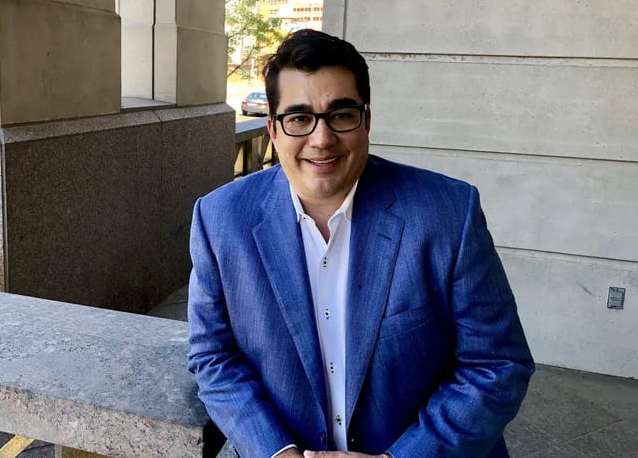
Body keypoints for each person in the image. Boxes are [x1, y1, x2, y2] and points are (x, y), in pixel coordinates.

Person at [187, 29, 534, 458]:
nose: (321, 138)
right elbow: (214, 358)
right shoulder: (220, 219)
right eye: (299, 118)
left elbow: (496, 364)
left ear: (366, 121)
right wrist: (276, 453)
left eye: (341, 114)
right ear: (273, 130)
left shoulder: (449, 214)